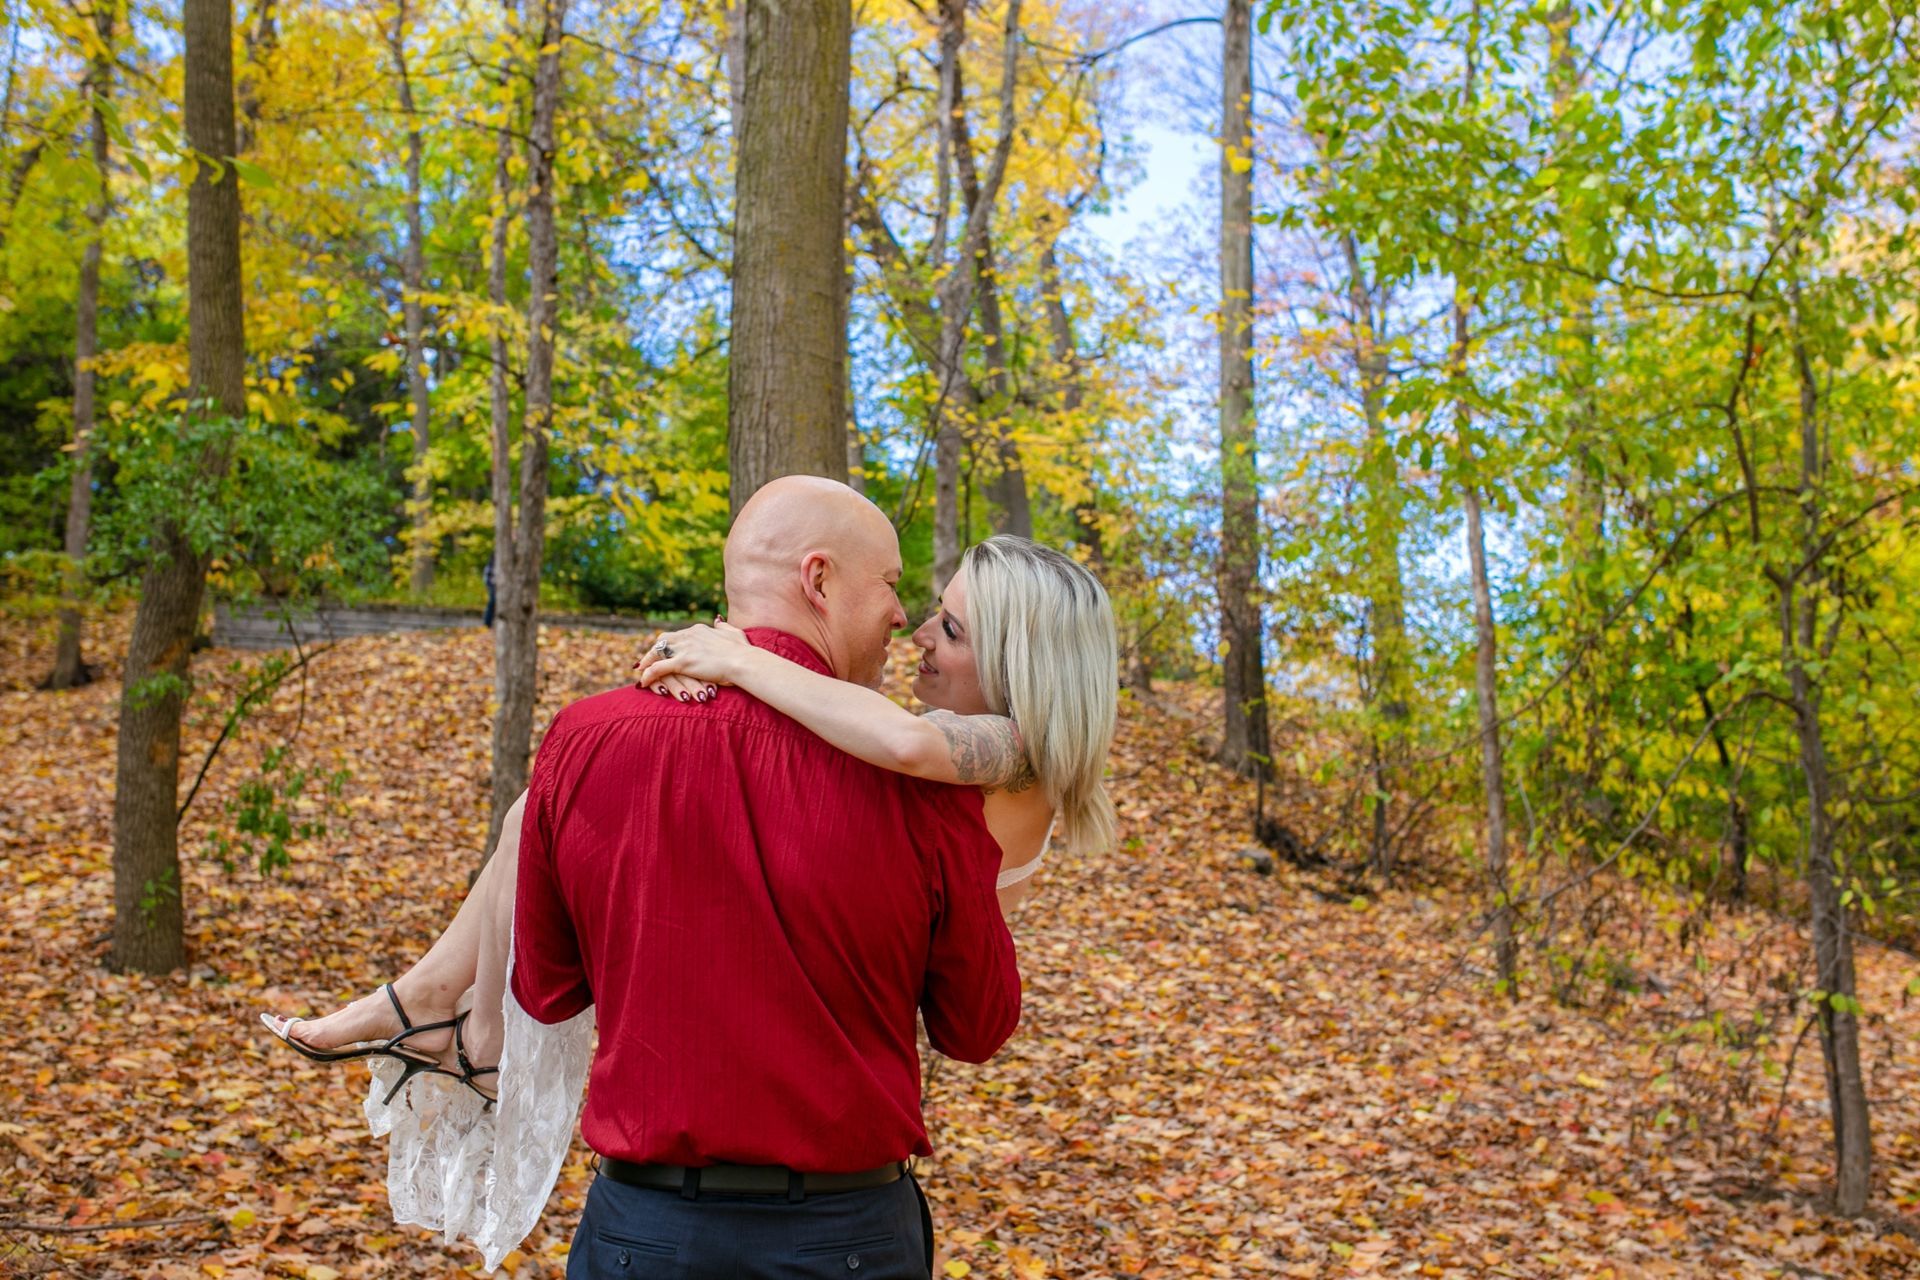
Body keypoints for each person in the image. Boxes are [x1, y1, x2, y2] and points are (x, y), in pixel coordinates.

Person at [263, 479, 1120, 1272]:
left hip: (648, 1232)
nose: (908, 622)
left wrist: (739, 662)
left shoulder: (957, 764)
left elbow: (557, 987)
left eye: (948, 623)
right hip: (843, 1236)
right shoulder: (924, 799)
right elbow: (973, 1027)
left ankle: (450, 1025)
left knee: (535, 808)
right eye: (901, 592)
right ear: (819, 581)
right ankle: (431, 1009)